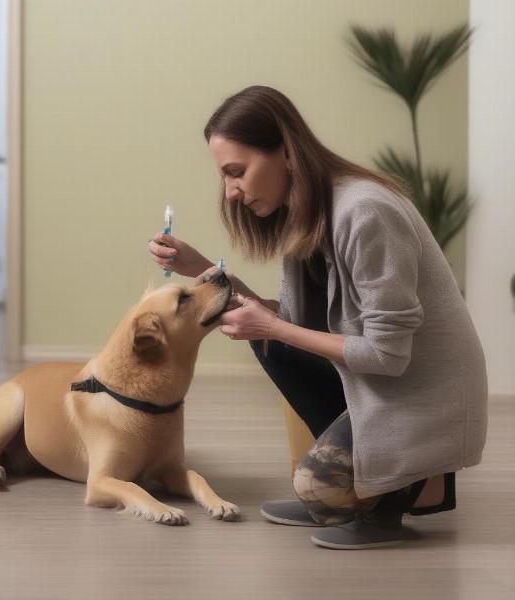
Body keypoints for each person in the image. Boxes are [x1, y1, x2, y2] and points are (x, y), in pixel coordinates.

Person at [147, 85, 488, 550]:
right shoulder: (306, 213)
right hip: (376, 382)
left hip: (417, 390)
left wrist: (270, 327)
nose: (230, 193)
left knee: (315, 486)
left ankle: (403, 490)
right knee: (268, 340)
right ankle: (369, 479)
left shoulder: (365, 212)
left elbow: (388, 356)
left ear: (286, 153)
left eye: (237, 172)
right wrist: (202, 270)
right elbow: (292, 320)